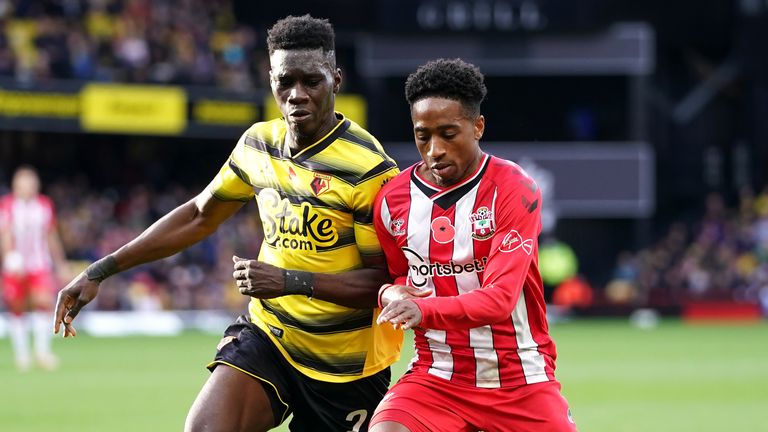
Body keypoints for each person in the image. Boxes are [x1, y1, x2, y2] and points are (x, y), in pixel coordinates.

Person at [53, 15, 402, 432]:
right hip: (270, 336)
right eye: (285, 81)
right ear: (270, 79)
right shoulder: (258, 143)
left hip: (345, 367)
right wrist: (100, 270)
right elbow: (200, 216)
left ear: (336, 80)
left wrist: (288, 281)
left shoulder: (369, 168)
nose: (297, 95)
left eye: (312, 81)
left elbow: (380, 286)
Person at [369, 58, 578, 432]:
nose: (434, 149)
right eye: (423, 135)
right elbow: (398, 276)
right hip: (437, 378)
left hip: (519, 380)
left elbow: (499, 300)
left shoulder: (513, 189)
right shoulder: (391, 200)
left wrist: (422, 309)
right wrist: (392, 293)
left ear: (478, 126)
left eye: (448, 134)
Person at [1, 166, 68, 371]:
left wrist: (61, 263)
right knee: (17, 307)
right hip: (16, 266)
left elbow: (50, 236)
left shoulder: (44, 205)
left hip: (39, 264)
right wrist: (10, 257)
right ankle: (22, 355)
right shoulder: (8, 205)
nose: (27, 188)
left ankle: (42, 351)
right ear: (15, 186)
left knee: (45, 304)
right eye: (23, 184)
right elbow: (5, 234)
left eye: (30, 183)